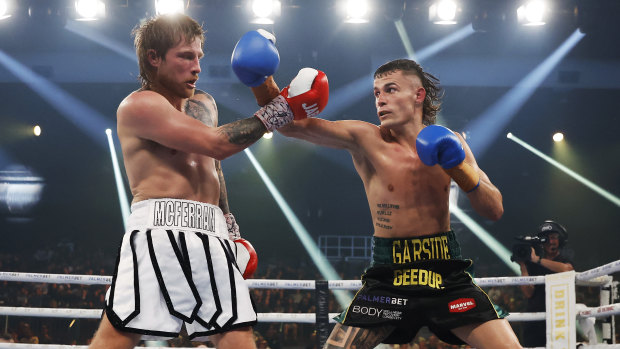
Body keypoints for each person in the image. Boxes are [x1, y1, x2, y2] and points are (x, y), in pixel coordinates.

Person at [88, 15, 328, 349]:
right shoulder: (138, 106)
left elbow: (212, 163)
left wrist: (230, 227)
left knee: (237, 334)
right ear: (154, 57)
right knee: (119, 333)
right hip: (159, 228)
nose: (197, 67)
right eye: (186, 56)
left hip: (211, 230)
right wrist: (282, 107)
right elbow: (218, 143)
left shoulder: (205, 104)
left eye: (199, 56)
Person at [275, 58, 522, 348]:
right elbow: (290, 127)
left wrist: (459, 168)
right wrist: (261, 82)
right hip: (390, 276)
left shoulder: (451, 141)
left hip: (445, 275)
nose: (380, 100)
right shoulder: (366, 138)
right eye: (377, 93)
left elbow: (494, 209)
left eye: (390, 89)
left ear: (418, 95)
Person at [517, 220, 574, 347]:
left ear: (560, 240)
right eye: (546, 238)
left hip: (559, 320)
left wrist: (537, 260)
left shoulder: (564, 260)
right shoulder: (533, 264)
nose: (550, 241)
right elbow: (528, 293)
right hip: (535, 321)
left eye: (553, 237)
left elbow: (567, 270)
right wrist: (523, 266)